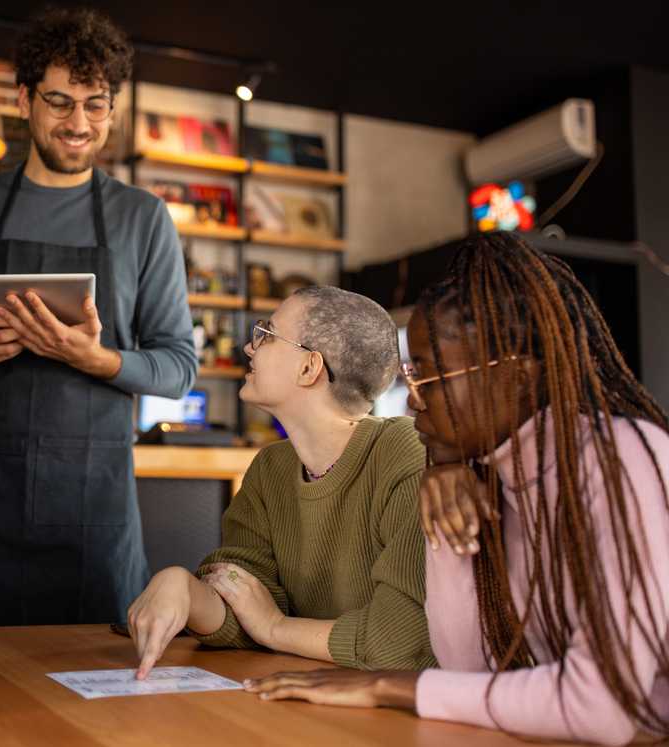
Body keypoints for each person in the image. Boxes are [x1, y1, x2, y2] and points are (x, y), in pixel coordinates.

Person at [244, 233, 669, 746]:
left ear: (515, 378)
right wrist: (442, 499)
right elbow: (467, 666)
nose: (411, 403)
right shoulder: (490, 470)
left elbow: (603, 707)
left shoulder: (621, 459)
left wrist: (389, 686)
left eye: (428, 376)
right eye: (409, 376)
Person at [0, 7, 196, 627]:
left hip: (92, 513)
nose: (78, 123)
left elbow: (177, 368)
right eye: (60, 102)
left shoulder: (142, 218)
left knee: (92, 695)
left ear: (112, 108)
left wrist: (98, 359)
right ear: (25, 99)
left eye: (95, 104)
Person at [127, 287, 436, 677]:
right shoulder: (271, 467)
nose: (249, 347)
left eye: (267, 334)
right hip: (314, 698)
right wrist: (183, 588)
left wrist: (276, 628)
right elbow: (245, 605)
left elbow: (398, 644)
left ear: (309, 368)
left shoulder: (405, 453)